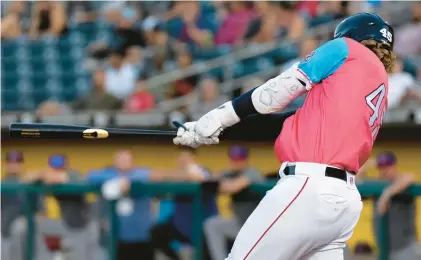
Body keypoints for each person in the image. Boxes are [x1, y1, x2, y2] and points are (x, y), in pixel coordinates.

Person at [174, 12, 394, 260]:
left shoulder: (346, 47)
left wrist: (219, 116)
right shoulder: (378, 81)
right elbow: (288, 122)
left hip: (309, 187)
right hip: (344, 202)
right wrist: (213, 130)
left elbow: (277, 92)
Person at [151, 147, 217, 260]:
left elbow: (200, 178)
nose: (183, 160)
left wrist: (172, 175)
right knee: (157, 233)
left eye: (186, 157)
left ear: (193, 158)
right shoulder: (177, 177)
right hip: (180, 225)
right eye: (181, 158)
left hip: (203, 227)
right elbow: (155, 177)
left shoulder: (204, 171)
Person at [357, 152, 421, 260]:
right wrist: (369, 163)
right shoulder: (377, 185)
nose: (384, 171)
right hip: (386, 251)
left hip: (407, 250)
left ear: (394, 167)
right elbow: (355, 182)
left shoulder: (400, 184)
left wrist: (386, 196)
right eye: (381, 167)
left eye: (387, 167)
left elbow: (409, 178)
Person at [204, 146, 264, 260]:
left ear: (246, 159)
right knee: (212, 224)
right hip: (241, 224)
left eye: (239, 159)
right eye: (234, 159)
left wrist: (220, 185)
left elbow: (233, 187)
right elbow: (211, 178)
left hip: (259, 229)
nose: (236, 162)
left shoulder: (252, 172)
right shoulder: (229, 173)